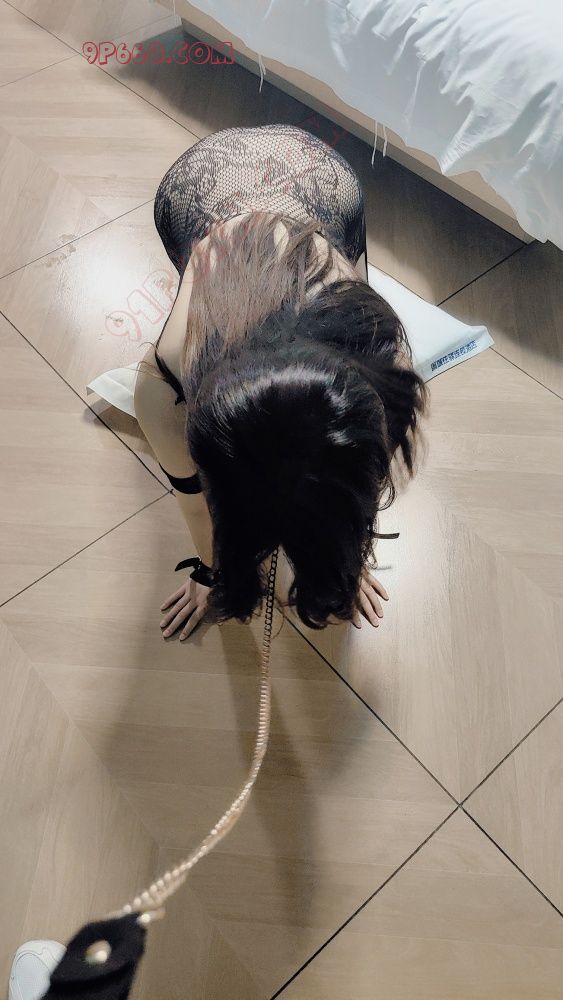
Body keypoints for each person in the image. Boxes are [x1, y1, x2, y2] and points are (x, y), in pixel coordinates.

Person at [134, 123, 428, 640]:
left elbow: (359, 482)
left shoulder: (381, 359)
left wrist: (344, 554)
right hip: (202, 187)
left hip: (318, 182)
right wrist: (215, 572)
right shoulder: (165, 386)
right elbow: (196, 503)